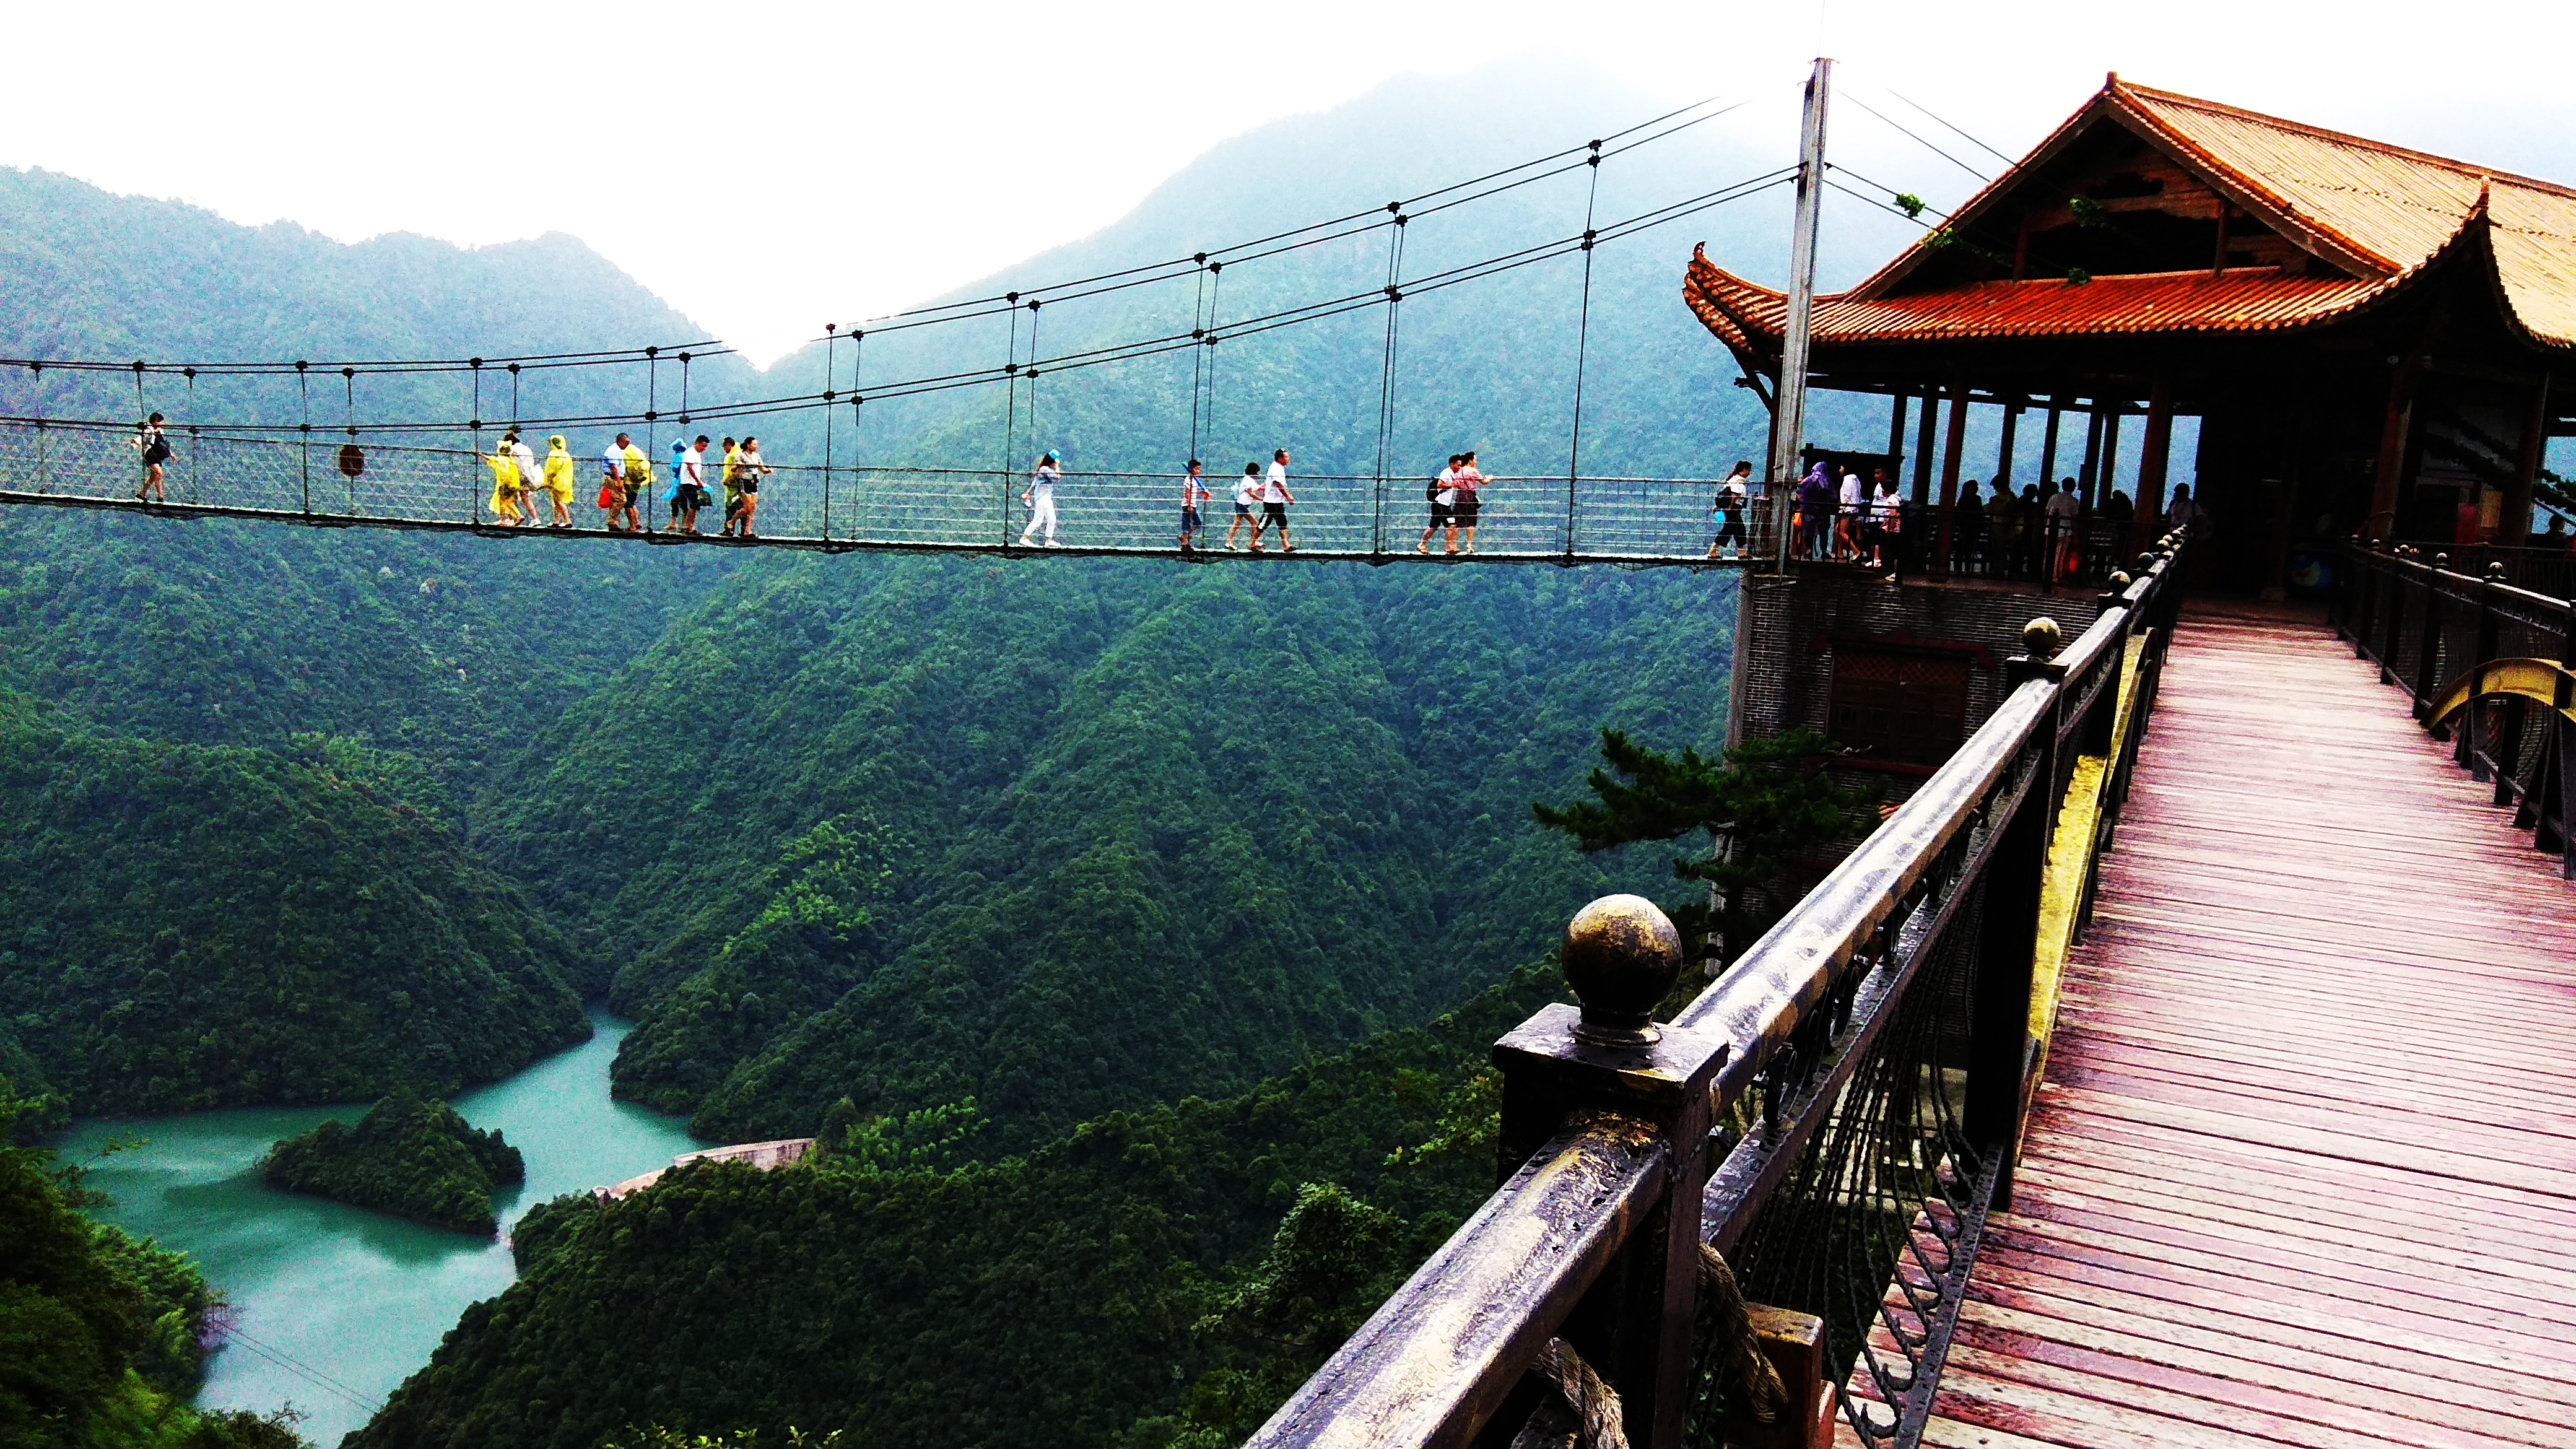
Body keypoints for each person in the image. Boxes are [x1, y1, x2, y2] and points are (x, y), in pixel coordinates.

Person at [1708, 460, 1751, 559]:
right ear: (1744, 470)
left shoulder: (1732, 479)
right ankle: (1713, 550)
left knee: (1736, 529)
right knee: (1733, 529)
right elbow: (1735, 495)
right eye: (1748, 470)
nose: (1749, 473)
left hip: (1732, 509)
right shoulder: (1738, 481)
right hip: (1733, 509)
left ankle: (1741, 552)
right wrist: (1730, 507)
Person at [1019, 450, 1063, 547]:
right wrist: (1057, 467)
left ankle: (1046, 540)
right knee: (1047, 519)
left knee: (1044, 520)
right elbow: (1057, 477)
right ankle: (1026, 538)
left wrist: (1028, 493)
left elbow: (1035, 483)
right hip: (1043, 497)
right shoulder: (1044, 469)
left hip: (1043, 497)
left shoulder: (1043, 469)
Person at [1448, 450, 1486, 554]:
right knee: (1471, 522)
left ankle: (1453, 546)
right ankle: (1469, 546)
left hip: (1460, 497)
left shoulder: (1459, 470)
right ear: (1470, 461)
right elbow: (1484, 482)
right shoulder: (1473, 471)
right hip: (1470, 497)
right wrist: (1490, 478)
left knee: (1457, 522)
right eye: (1475, 460)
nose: (1476, 462)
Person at [1421, 454, 1461, 554]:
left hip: (1444, 505)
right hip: (1440, 504)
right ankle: (1447, 547)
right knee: (1444, 525)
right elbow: (1440, 484)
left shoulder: (1452, 474)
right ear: (1452, 464)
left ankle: (1447, 547)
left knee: (1443, 525)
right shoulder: (1446, 473)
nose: (1459, 467)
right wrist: (1451, 485)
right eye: (1458, 465)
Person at [1258, 448, 1296, 552]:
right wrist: (1288, 496)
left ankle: (1286, 544)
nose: (1288, 459)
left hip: (1276, 501)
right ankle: (1253, 542)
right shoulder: (1276, 468)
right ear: (1280, 459)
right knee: (1266, 523)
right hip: (1272, 501)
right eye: (1286, 457)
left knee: (1279, 522)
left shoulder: (1278, 467)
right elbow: (1278, 484)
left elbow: (1270, 482)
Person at [733, 435, 772, 537]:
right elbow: (733, 468)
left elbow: (762, 469)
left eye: (756, 444)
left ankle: (747, 531)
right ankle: (731, 522)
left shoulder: (757, 456)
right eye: (754, 444)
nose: (756, 446)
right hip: (744, 481)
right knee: (747, 508)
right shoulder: (741, 455)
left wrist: (768, 471)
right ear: (748, 445)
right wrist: (738, 465)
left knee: (752, 508)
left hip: (754, 482)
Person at [2043, 477, 2081, 579]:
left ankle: (2046, 575)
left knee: (2048, 553)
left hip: (2050, 530)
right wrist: (2076, 535)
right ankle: (2056, 576)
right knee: (2060, 555)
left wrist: (2045, 525)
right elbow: (2074, 519)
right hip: (2065, 531)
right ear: (2073, 488)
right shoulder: (2074, 501)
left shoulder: (2054, 497)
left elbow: (2047, 512)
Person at [486, 432, 528, 526]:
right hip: (513, 485)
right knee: (502, 501)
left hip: (506, 485)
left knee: (506, 501)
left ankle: (518, 516)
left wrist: (481, 455)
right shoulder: (511, 460)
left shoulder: (503, 460)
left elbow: (493, 459)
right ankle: (503, 519)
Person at [1795, 461, 1833, 560]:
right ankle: (1824, 551)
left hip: (1809, 509)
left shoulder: (1807, 481)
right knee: (1823, 532)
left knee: (1809, 531)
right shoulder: (1827, 481)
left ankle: (1809, 550)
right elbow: (1833, 496)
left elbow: (1802, 494)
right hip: (1823, 511)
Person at [131, 412, 172, 502]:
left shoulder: (160, 431)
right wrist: (135, 442)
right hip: (150, 454)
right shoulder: (148, 430)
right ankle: (160, 497)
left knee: (153, 477)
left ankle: (141, 495)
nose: (161, 423)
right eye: (159, 421)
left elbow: (163, 444)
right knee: (159, 473)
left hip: (157, 455)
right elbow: (140, 438)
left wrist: (171, 454)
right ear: (155, 421)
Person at [677, 435, 711, 533]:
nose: (704, 449)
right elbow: (690, 468)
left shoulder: (696, 454)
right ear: (698, 443)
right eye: (703, 446)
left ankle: (688, 526)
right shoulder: (691, 452)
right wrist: (698, 481)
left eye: (706, 447)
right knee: (694, 504)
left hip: (693, 482)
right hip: (688, 482)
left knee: (695, 505)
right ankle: (688, 527)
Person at [1225, 463, 1262, 550]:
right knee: (1254, 522)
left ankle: (1229, 542)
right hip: (1242, 505)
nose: (1258, 474)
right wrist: (1260, 499)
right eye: (1258, 472)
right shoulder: (1247, 480)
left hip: (1242, 504)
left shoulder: (1250, 480)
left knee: (1237, 524)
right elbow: (1251, 493)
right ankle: (1253, 542)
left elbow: (1258, 488)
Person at [1869, 469, 1901, 568]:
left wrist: (1889, 528)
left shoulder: (1891, 500)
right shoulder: (1896, 498)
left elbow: (1893, 514)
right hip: (1890, 525)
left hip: (1893, 528)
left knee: (1890, 547)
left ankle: (1878, 560)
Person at [541, 435, 575, 526]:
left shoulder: (553, 454)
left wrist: (547, 481)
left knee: (558, 502)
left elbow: (551, 470)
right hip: (566, 482)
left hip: (556, 482)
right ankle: (556, 520)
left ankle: (567, 520)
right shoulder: (566, 455)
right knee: (556, 502)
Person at [1178, 459, 1209, 551]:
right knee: (1187, 523)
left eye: (1199, 469)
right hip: (1188, 505)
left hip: (1192, 504)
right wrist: (1189, 505)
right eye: (1196, 469)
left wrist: (1202, 492)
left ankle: (1184, 537)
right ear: (1191, 469)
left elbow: (1193, 492)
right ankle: (1184, 543)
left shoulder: (1194, 480)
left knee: (1197, 523)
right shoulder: (1189, 480)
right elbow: (1187, 493)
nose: (1198, 471)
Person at [1837, 466, 1866, 560]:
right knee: (1837, 530)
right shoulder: (1856, 480)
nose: (1840, 470)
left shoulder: (1848, 480)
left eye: (1841, 468)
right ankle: (1840, 553)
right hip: (1853, 509)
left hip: (1848, 509)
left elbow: (1847, 495)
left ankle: (1856, 551)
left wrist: (1843, 505)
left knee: (1841, 531)